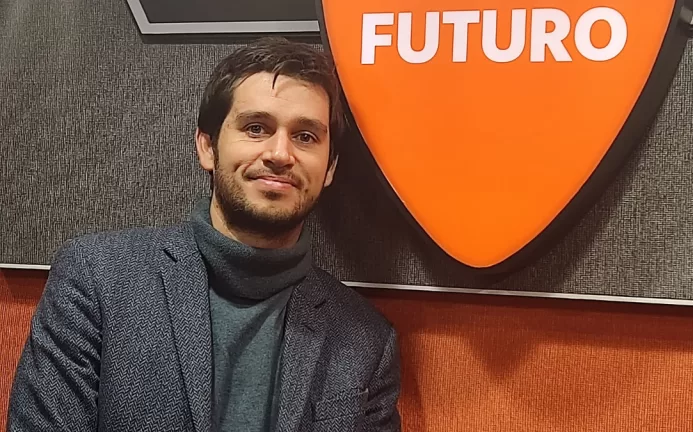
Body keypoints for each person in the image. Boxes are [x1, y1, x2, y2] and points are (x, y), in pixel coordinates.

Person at [7, 37, 401, 432]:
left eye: (305, 136)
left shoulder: (367, 341)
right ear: (208, 148)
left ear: (329, 168)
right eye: (256, 128)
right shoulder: (98, 279)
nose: (280, 154)